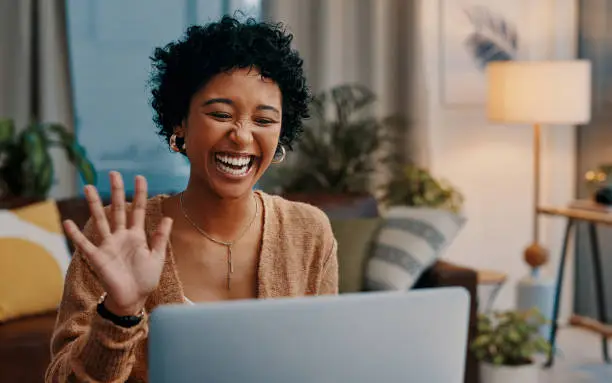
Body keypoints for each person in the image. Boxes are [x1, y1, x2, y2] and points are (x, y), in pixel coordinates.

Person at [45, 15, 338, 383]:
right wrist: (120, 312)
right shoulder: (118, 235)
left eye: (264, 120)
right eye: (220, 114)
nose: (242, 136)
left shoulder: (310, 232)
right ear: (180, 123)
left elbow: (322, 363)